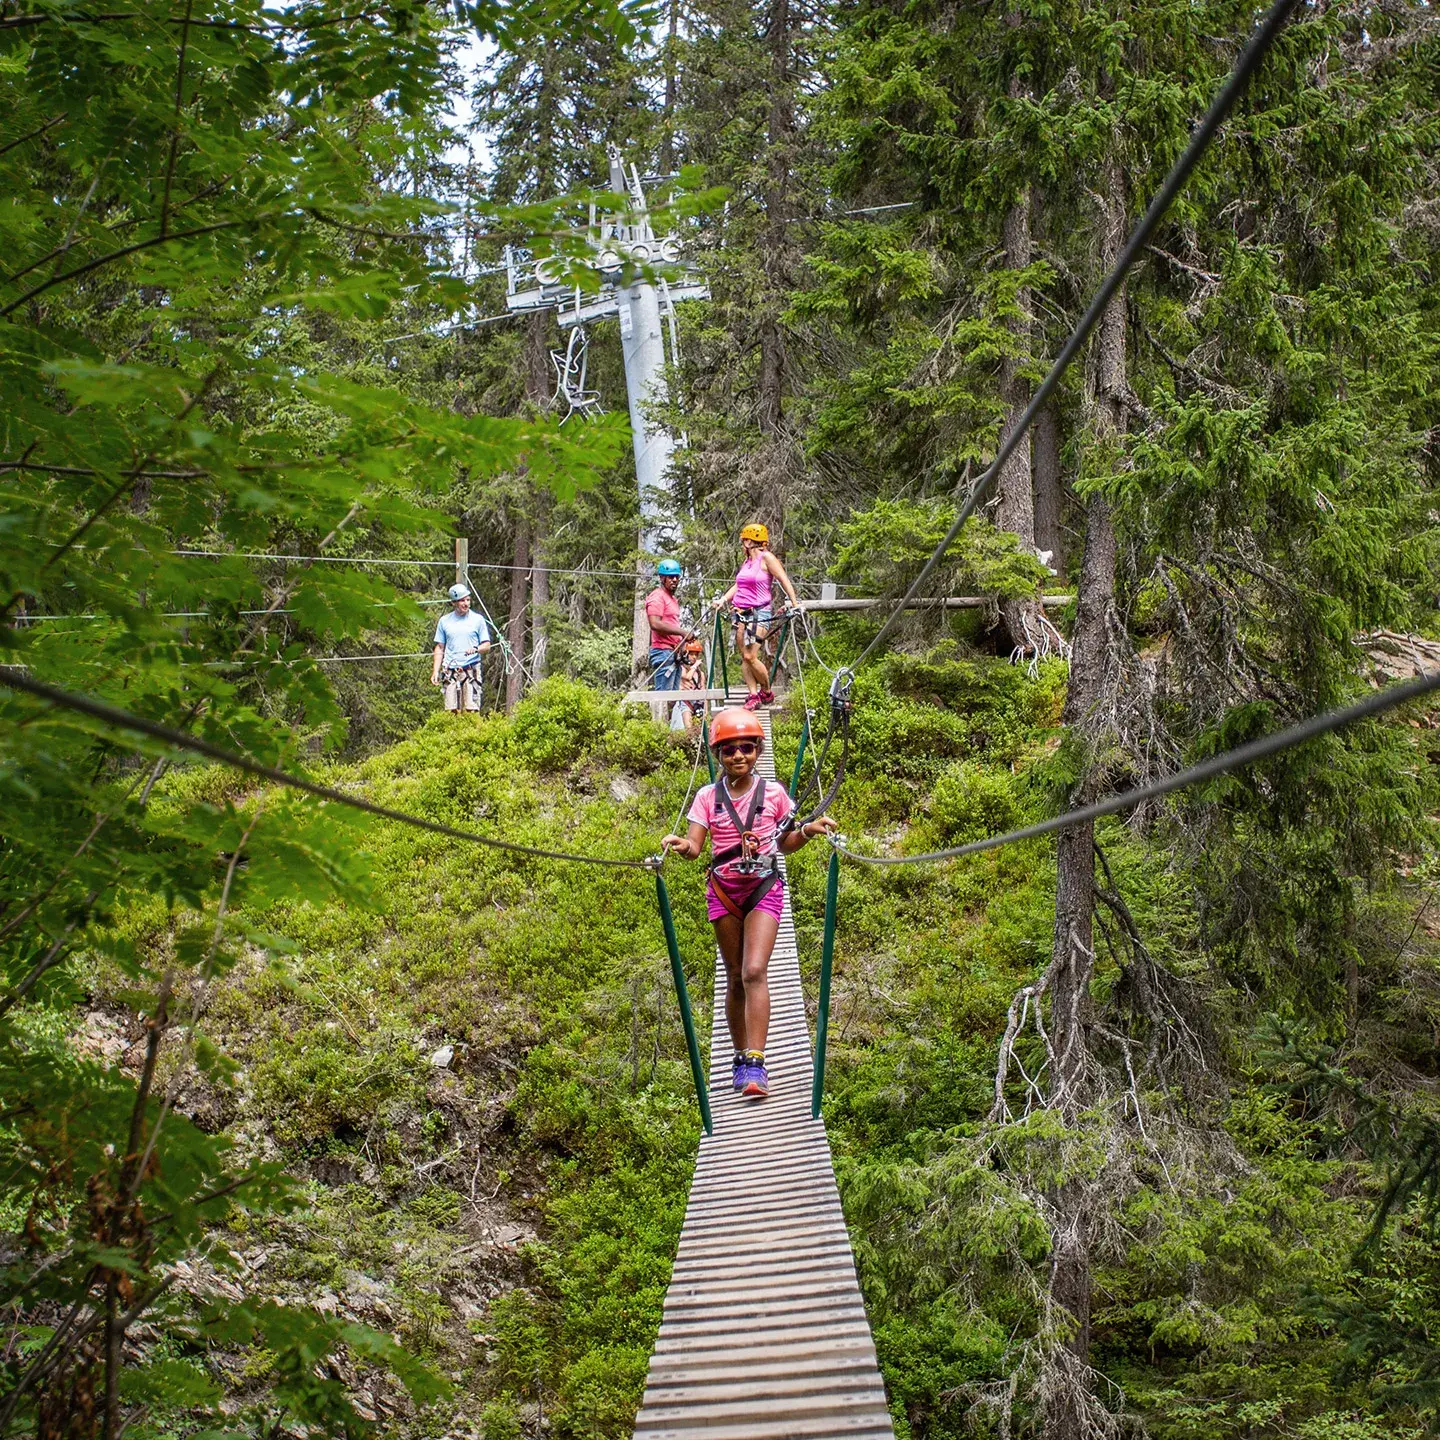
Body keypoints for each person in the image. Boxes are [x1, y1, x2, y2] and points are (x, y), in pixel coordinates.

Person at [661, 708, 838, 1099]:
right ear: (718, 755)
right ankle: (739, 1057)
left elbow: (786, 843)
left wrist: (807, 830)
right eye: (729, 750)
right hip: (724, 890)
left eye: (746, 748)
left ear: (758, 750)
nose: (738, 756)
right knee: (735, 973)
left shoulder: (773, 793)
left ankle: (756, 1065)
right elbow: (696, 847)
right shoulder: (708, 797)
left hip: (763, 886)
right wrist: (681, 846)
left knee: (754, 971)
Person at [717, 523, 799, 710]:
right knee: (745, 657)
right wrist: (723, 599)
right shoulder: (746, 563)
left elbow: (783, 579)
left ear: (749, 541)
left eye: (743, 540)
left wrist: (794, 603)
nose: (742, 544)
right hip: (740, 613)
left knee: (752, 656)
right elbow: (739, 586)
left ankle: (767, 691)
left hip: (759, 612)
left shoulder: (767, 558)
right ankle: (753, 695)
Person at [431, 583, 492, 713]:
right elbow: (440, 647)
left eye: (468, 600)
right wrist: (435, 671)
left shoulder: (477, 620)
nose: (466, 603)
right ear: (454, 603)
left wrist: (476, 649)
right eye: (462, 600)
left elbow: (487, 645)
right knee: (451, 711)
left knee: (472, 709)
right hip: (450, 671)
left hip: (471, 670)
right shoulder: (444, 621)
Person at [644, 558, 691, 714]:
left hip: (673, 652)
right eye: (671, 577)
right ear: (662, 578)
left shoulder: (672, 599)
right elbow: (655, 624)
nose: (675, 580)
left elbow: (672, 625)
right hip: (663, 652)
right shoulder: (657, 597)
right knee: (662, 699)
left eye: (677, 577)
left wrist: (682, 645)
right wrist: (682, 632)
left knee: (672, 700)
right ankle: (658, 732)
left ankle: (667, 732)